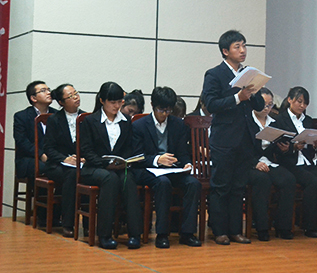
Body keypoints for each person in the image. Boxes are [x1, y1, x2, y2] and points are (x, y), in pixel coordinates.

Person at [201, 30, 265, 245]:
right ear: (225, 51)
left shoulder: (248, 73)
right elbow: (211, 104)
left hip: (245, 139)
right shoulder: (214, 74)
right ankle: (219, 231)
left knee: (238, 187)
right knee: (221, 186)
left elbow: (258, 106)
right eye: (237, 46)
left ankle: (235, 230)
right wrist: (238, 97)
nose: (243, 50)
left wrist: (254, 92)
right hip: (224, 139)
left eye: (244, 45)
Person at [132, 86, 201, 248]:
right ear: (152, 105)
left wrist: (187, 163)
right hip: (148, 169)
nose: (164, 114)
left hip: (172, 169)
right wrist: (157, 159)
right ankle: (162, 234)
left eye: (168, 110)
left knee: (193, 183)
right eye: (161, 110)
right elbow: (137, 157)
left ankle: (187, 233)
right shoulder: (139, 126)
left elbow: (182, 153)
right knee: (163, 183)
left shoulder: (178, 125)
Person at [79, 82, 143, 250]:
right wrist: (104, 164)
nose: (116, 106)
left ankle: (135, 234)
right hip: (94, 168)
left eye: (119, 102)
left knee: (128, 180)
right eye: (112, 102)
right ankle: (104, 235)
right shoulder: (90, 121)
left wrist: (123, 162)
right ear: (102, 101)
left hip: (118, 168)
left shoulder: (126, 121)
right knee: (110, 179)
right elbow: (86, 150)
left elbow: (128, 147)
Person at [272, 86, 317, 238]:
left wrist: (315, 144)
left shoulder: (308, 120)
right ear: (289, 100)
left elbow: (311, 143)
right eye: (299, 101)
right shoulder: (279, 120)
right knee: (312, 182)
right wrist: (292, 147)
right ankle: (309, 225)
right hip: (289, 162)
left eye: (305, 103)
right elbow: (275, 146)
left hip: (306, 161)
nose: (302, 106)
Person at [246, 87, 296, 241]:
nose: (267, 108)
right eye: (264, 104)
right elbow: (240, 148)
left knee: (288, 179)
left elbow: (277, 148)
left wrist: (285, 148)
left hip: (268, 162)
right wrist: (255, 163)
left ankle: (283, 226)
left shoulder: (275, 122)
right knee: (262, 180)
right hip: (248, 163)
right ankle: (262, 227)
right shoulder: (246, 120)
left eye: (270, 105)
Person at [42, 84, 85, 237]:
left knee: (85, 174)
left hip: (81, 162)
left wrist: (85, 158)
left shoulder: (87, 117)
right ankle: (68, 223)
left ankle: (88, 224)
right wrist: (65, 159)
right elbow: (49, 148)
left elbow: (93, 144)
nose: (76, 97)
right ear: (61, 102)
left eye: (76, 93)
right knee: (72, 176)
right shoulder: (54, 119)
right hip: (57, 164)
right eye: (71, 96)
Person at [14, 80, 57, 180]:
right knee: (46, 168)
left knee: (68, 169)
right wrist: (41, 154)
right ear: (33, 98)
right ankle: (40, 192)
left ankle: (60, 191)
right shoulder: (21, 116)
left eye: (48, 90)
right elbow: (22, 141)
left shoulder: (57, 115)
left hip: (53, 157)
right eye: (43, 91)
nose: (49, 93)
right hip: (30, 158)